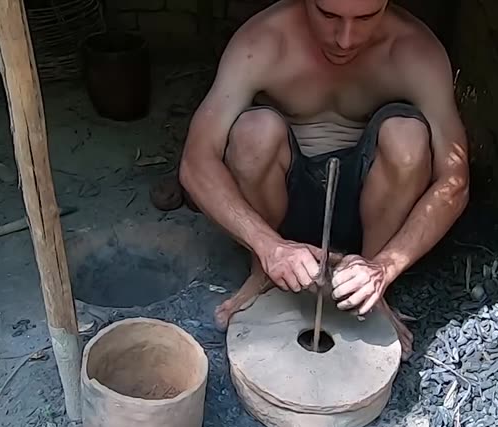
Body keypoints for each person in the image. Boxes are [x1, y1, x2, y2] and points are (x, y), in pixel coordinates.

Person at [179, 0, 470, 353]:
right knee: (253, 132)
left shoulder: (414, 52)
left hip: (371, 213)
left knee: (407, 136)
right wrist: (268, 246)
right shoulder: (263, 41)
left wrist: (386, 266)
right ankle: (263, 273)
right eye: (328, 15)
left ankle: (370, 287)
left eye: (365, 18)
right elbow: (196, 161)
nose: (345, 40)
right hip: (283, 211)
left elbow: (455, 182)